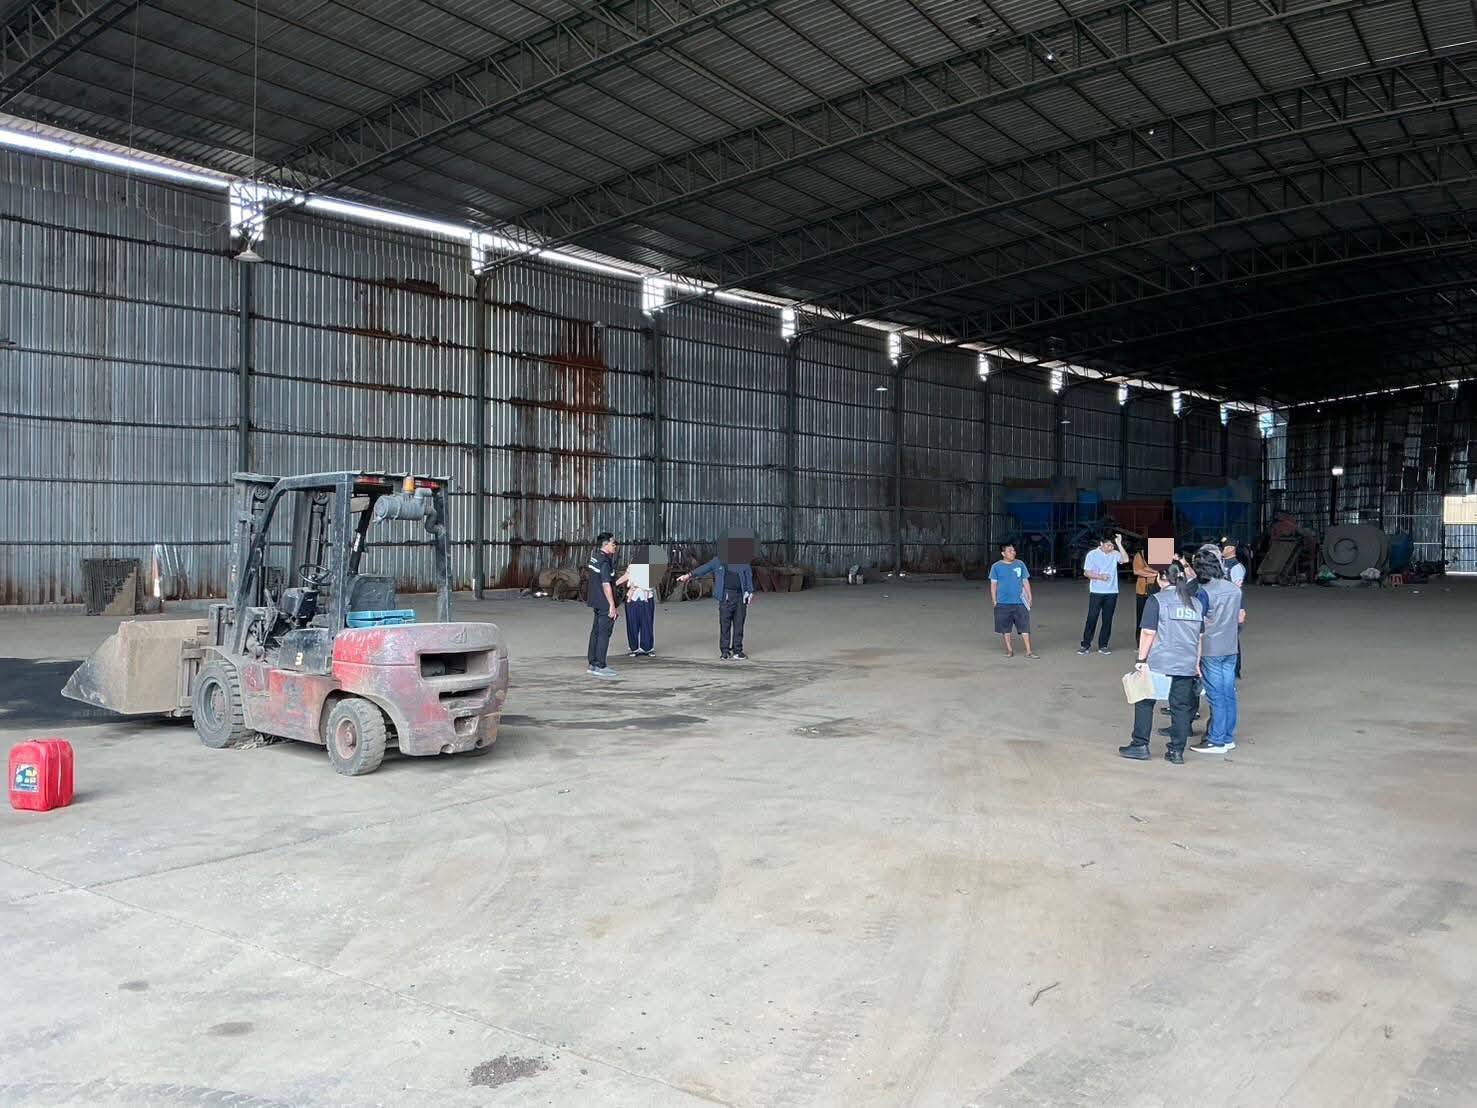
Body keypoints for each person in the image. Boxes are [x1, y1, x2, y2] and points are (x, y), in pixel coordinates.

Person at [1120, 560, 1208, 764]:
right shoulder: (1196, 603)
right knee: (1181, 707)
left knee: (1144, 700)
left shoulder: (1156, 600)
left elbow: (1148, 632)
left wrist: (1141, 659)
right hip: (1186, 663)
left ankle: (1140, 745)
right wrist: (1196, 663)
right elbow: (1199, 637)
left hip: (1160, 661)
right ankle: (1176, 751)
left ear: (1161, 579)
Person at [1191, 545, 1246, 754]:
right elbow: (1238, 618)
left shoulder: (1203, 592)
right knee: (1228, 693)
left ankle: (1216, 740)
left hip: (1211, 648)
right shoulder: (1234, 589)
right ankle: (1227, 737)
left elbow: (1198, 623)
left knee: (1216, 696)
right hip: (1230, 647)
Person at [678, 549, 755, 660]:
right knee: (725, 624)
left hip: (741, 596)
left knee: (739, 624)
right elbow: (705, 568)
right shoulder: (718, 561)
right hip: (726, 595)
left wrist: (750, 591)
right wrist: (689, 575)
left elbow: (748, 574)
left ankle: (737, 651)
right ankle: (725, 651)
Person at [1078, 533, 1128, 655]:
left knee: (1107, 619)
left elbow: (1125, 559)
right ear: (1101, 544)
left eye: (1112, 545)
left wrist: (1119, 544)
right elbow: (1086, 572)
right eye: (1108, 545)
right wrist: (1100, 577)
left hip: (1112, 592)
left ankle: (1103, 645)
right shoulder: (1092, 554)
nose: (1110, 548)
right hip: (1097, 591)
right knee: (1092, 618)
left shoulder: (1115, 553)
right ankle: (1085, 645)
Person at [989, 541, 1037, 658]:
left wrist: (1029, 596)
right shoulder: (996, 567)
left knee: (1025, 627)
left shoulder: (1020, 564)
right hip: (1003, 602)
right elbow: (993, 584)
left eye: (1014, 550)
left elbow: (1025, 581)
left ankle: (1028, 651)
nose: (1013, 552)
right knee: (1006, 628)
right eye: (1010, 551)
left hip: (1020, 601)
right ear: (1003, 553)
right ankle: (1009, 650)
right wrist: (994, 600)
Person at [585, 532, 620, 679]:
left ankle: (592, 663)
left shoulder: (595, 557)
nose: (615, 546)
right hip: (605, 602)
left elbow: (607, 581)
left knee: (596, 632)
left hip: (596, 600)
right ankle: (600, 665)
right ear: (605, 545)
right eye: (613, 543)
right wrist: (612, 605)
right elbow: (606, 584)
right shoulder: (605, 561)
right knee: (604, 634)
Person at [1222, 542, 1246, 678]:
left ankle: (1235, 670)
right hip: (1224, 606)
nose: (1222, 550)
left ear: (1232, 549)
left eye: (1225, 547)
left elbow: (1237, 591)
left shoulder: (1236, 567)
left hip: (1232, 607)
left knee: (1232, 640)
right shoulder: (1222, 563)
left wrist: (1240, 609)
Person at [1131, 541, 1160, 637]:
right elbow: (1137, 571)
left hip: (1159, 590)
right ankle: (1139, 639)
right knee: (1141, 617)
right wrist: (1155, 573)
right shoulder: (1140, 554)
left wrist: (1147, 569)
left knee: (1158, 616)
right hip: (1143, 591)